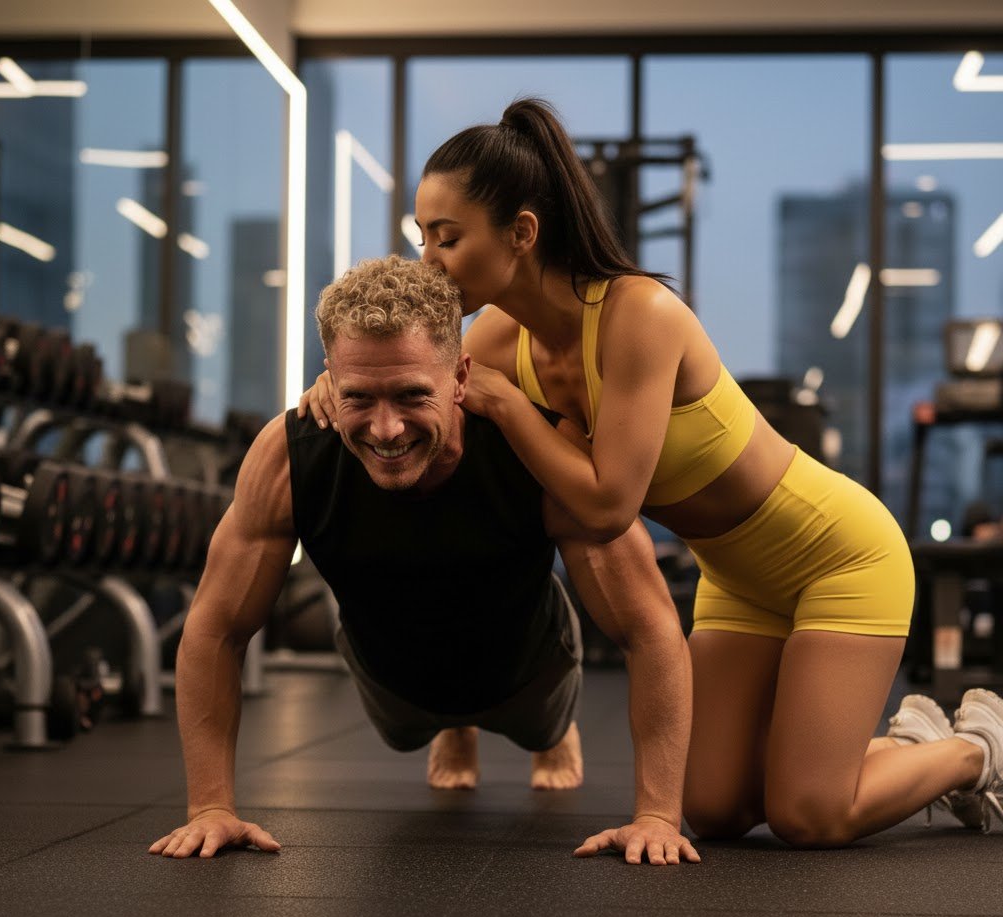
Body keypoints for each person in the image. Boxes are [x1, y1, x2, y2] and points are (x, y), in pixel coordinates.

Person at [302, 99, 1003, 846]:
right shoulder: (501, 338)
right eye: (422, 239)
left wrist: (505, 406)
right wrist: (328, 389)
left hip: (840, 558)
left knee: (808, 815)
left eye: (446, 239)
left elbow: (608, 505)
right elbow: (415, 388)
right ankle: (900, 742)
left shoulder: (640, 316)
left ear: (522, 233)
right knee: (715, 808)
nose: (428, 263)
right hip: (737, 583)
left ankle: (972, 750)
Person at [151, 255, 699, 863]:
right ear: (329, 377)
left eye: (413, 395)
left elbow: (650, 628)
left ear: (461, 377)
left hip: (527, 665)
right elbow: (214, 629)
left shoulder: (539, 451)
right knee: (408, 729)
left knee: (541, 726)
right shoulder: (289, 458)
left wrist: (656, 815)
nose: (386, 430)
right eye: (359, 397)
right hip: (393, 679)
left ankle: (548, 735)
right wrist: (210, 808)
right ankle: (452, 727)